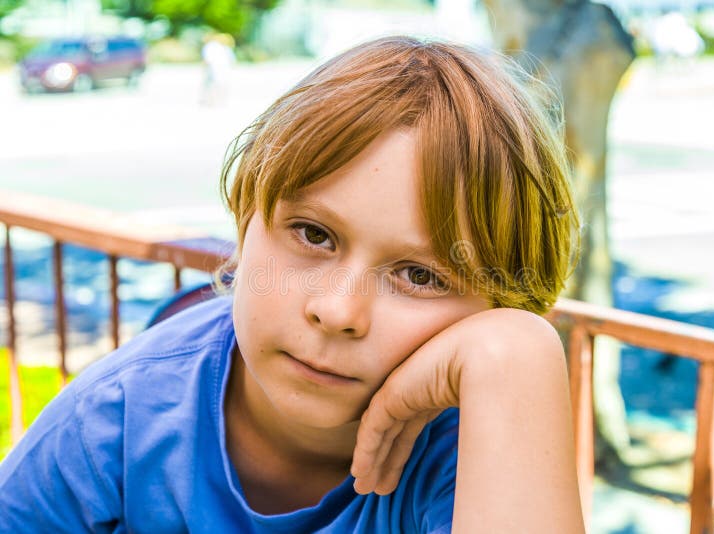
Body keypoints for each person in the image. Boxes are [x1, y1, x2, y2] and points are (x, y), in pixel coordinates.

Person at [0, 36, 585, 532]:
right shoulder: (114, 423)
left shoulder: (472, 453)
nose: (337, 312)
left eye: (421, 275)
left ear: (501, 307)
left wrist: (516, 353)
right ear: (245, 219)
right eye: (313, 234)